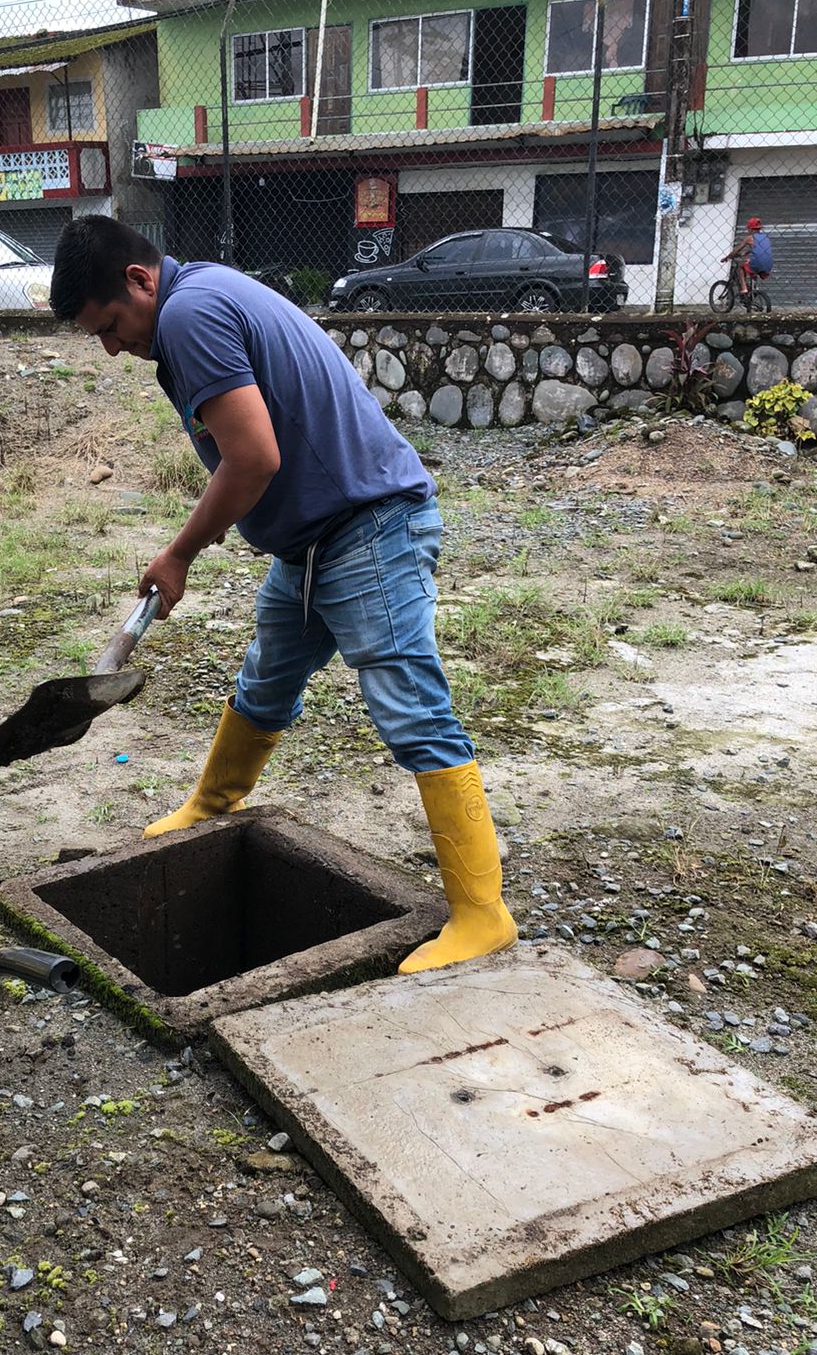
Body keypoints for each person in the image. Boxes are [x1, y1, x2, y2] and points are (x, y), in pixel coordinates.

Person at [49, 217, 516, 974]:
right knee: (266, 680)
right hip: (313, 541)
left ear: (139, 280)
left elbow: (253, 458)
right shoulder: (202, 295)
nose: (111, 347)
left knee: (410, 707)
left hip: (367, 529)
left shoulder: (187, 314)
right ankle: (212, 804)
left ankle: (483, 914)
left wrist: (179, 553)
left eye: (109, 326)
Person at [723, 215, 772, 298]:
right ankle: (754, 288)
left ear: (751, 229)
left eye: (748, 228)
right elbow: (761, 250)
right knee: (751, 264)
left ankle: (744, 288)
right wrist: (747, 252)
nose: (747, 230)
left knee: (740, 266)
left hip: (757, 263)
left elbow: (737, 250)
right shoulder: (765, 237)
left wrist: (727, 257)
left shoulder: (749, 238)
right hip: (769, 264)